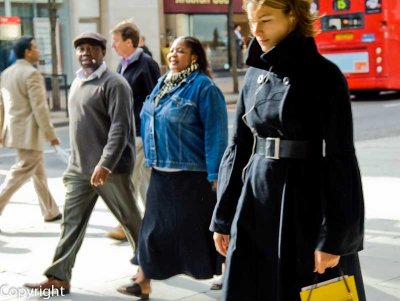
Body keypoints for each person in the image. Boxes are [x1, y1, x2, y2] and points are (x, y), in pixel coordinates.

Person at [210, 1, 366, 301]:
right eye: (253, 20)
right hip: (255, 202)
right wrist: (223, 216)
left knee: (305, 290)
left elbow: (341, 158)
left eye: (266, 20)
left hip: (305, 203)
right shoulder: (254, 76)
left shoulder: (325, 75)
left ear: (292, 16)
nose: (256, 30)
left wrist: (335, 238)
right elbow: (238, 148)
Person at [24, 32, 142, 294]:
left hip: (111, 170)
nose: (85, 53)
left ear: (102, 52)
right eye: (80, 49)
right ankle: (58, 277)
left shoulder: (115, 84)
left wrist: (105, 163)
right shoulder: (77, 83)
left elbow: (120, 129)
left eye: (91, 48)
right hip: (79, 171)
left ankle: (148, 270)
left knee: (131, 222)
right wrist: (74, 166)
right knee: (70, 224)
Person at [117, 36, 228, 299]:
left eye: (181, 51)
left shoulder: (204, 88)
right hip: (161, 173)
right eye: (172, 50)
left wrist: (216, 175)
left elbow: (216, 134)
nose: (174, 55)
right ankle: (142, 281)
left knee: (207, 231)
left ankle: (232, 274)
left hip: (193, 176)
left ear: (195, 57)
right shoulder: (162, 84)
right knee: (151, 231)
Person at [106, 21, 160, 241]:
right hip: (130, 133)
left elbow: (155, 99)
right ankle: (151, 224)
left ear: (129, 42)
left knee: (131, 179)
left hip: (141, 132)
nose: (113, 46)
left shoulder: (146, 64)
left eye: (116, 41)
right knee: (141, 180)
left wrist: (150, 132)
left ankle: (132, 224)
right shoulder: (123, 64)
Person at [0, 36, 61, 224]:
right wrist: (51, 135)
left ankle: (50, 211)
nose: (38, 51)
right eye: (35, 47)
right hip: (29, 133)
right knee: (20, 172)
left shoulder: (6, 73)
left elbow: (1, 106)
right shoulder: (31, 74)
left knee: (38, 171)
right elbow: (39, 108)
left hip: (15, 130)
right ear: (27, 52)